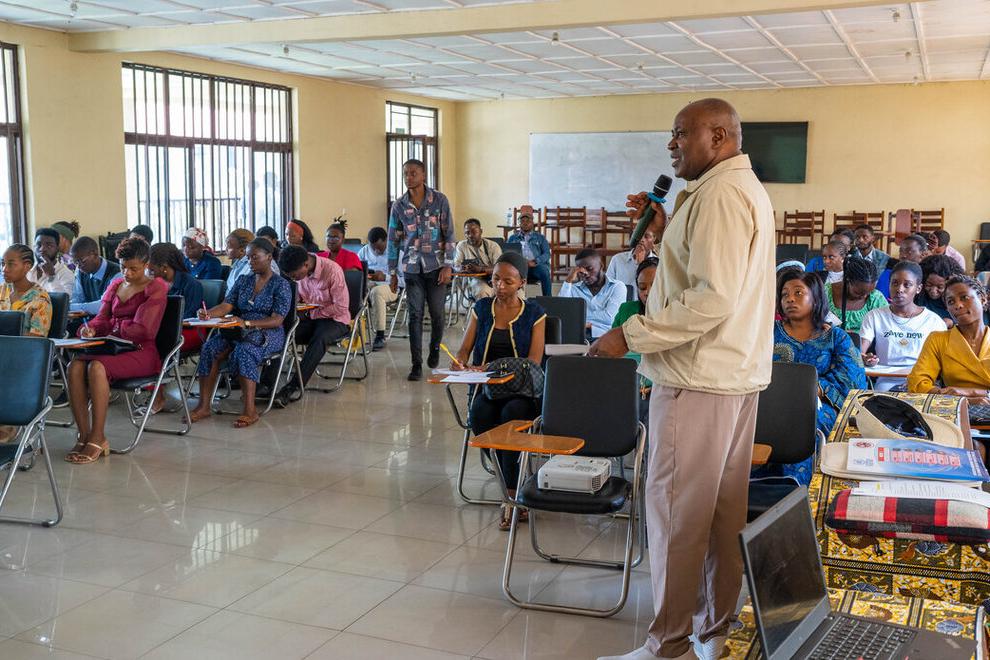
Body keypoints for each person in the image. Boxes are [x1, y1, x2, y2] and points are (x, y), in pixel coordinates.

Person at [591, 98, 774, 660]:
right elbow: (710, 272)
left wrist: (630, 335)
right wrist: (667, 229)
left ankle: (667, 646)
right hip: (731, 377)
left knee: (675, 516)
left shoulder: (719, 195)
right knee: (717, 516)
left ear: (718, 136)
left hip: (696, 380)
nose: (671, 145)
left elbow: (710, 299)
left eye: (680, 133)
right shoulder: (735, 188)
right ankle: (713, 634)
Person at [452, 251, 545, 530]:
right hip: (488, 389)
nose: (500, 286)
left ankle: (511, 497)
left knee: (511, 417)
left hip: (522, 391)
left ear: (522, 283)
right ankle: (510, 479)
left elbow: (533, 362)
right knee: (479, 416)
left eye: (508, 281)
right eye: (495, 279)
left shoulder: (534, 314)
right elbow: (465, 348)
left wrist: (493, 366)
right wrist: (459, 361)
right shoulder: (482, 309)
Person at [67, 238, 167, 464]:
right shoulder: (116, 285)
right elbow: (101, 318)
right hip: (114, 347)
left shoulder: (155, 288)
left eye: (134, 268)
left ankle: (98, 437)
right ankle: (83, 434)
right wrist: (91, 329)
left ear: (146, 265)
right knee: (74, 366)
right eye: (123, 267)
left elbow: (145, 330)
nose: (127, 273)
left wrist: (113, 327)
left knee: (96, 367)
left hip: (141, 351)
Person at [771, 271, 866, 483]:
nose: (790, 299)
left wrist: (816, 388)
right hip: (770, 402)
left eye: (798, 293)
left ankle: (798, 488)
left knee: (803, 425)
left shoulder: (835, 337)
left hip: (818, 405)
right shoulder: (768, 333)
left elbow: (852, 378)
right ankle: (757, 487)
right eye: (785, 294)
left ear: (815, 298)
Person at [189, 238, 291, 428]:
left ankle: (250, 410)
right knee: (210, 348)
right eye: (248, 258)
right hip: (238, 328)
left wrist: (247, 323)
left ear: (269, 257)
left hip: (268, 331)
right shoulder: (244, 280)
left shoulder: (281, 284)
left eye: (255, 257)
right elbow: (227, 305)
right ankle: (203, 406)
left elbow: (277, 319)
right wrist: (209, 313)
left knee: (245, 351)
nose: (250, 262)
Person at [387, 158, 454, 381]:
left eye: (413, 173)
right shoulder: (399, 206)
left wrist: (448, 265)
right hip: (412, 267)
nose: (408, 177)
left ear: (424, 175)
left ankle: (434, 348)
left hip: (436, 266)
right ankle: (416, 364)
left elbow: (449, 234)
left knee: (436, 313)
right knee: (414, 314)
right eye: (405, 173)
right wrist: (392, 272)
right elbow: (393, 240)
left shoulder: (440, 200)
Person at [277, 245, 351, 401]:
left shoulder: (332, 271)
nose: (293, 279)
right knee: (281, 333)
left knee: (320, 338)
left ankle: (294, 386)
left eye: (294, 276)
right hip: (310, 317)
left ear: (305, 265)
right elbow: (299, 298)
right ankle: (266, 383)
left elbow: (341, 307)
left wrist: (311, 314)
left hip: (335, 319)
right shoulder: (299, 270)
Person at [860, 262, 944, 392]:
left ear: (918, 288)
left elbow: (942, 361)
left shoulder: (933, 321)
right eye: (894, 283)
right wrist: (865, 358)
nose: (899, 289)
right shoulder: (875, 316)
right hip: (885, 381)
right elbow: (860, 351)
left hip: (922, 381)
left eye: (907, 285)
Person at [908, 275, 990, 404]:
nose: (958, 305)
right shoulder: (938, 340)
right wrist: (953, 398)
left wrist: (973, 393)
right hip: (953, 409)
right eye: (951, 302)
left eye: (964, 297)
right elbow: (917, 383)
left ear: (983, 299)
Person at [611, 257, 659, 425]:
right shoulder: (627, 310)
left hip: (659, 392)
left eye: (654, 286)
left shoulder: (673, 316)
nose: (647, 292)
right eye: (642, 287)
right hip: (626, 388)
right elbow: (613, 348)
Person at [559, 248, 626, 341]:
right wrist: (568, 280)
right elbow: (561, 313)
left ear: (601, 266)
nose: (585, 274)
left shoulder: (617, 287)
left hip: (606, 338)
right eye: (581, 272)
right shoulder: (574, 289)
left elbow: (609, 318)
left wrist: (579, 320)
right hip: (579, 336)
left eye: (589, 269)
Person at [148, 242, 204, 350]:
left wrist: (158, 323)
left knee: (152, 341)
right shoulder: (154, 284)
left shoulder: (191, 285)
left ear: (164, 268)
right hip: (164, 329)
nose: (148, 273)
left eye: (151, 270)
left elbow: (188, 317)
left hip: (187, 330)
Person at [359, 226, 400, 352]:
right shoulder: (364, 251)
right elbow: (356, 269)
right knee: (355, 287)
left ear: (386, 241)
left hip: (390, 287)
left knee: (377, 292)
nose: (376, 251)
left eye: (379, 247)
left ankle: (380, 335)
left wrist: (386, 277)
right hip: (370, 284)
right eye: (373, 248)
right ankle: (350, 329)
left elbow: (406, 280)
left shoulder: (397, 252)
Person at [0, 244, 52, 337]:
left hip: (21, 346)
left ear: (27, 266)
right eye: (3, 263)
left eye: (11, 264)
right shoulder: (2, 290)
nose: (4, 269)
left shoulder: (40, 298)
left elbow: (36, 338)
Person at [826, 258, 888, 334]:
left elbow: (886, 327)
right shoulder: (825, 293)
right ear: (847, 280)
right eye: (858, 293)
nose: (864, 297)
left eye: (869, 292)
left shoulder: (876, 298)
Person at [69, 236, 121, 316]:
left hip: (109, 321)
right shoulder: (80, 271)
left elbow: (103, 305)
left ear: (95, 254)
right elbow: (77, 298)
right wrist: (71, 307)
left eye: (82, 261)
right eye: (75, 263)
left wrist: (70, 307)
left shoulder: (117, 274)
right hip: (87, 320)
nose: (79, 266)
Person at [506, 208, 552, 296]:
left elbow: (547, 254)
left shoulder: (540, 237)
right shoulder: (513, 238)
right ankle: (519, 299)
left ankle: (548, 299)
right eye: (522, 221)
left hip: (535, 266)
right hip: (519, 267)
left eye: (528, 221)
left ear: (532, 223)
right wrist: (519, 262)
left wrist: (535, 261)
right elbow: (507, 254)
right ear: (519, 224)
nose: (525, 223)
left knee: (544, 272)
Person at [454, 218, 502, 299]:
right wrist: (461, 268)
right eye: (467, 233)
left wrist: (480, 269)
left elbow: (499, 268)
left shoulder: (493, 246)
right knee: (482, 291)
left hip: (495, 279)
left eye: (474, 232)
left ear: (481, 231)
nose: (470, 235)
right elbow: (456, 265)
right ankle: (483, 307)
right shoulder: (461, 245)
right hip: (476, 279)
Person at [917, 254, 964, 327]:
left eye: (940, 287)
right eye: (928, 285)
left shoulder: (957, 302)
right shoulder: (918, 297)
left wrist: (952, 323)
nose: (933, 291)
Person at [876, 233, 928, 298]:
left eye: (909, 251)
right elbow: (881, 299)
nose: (903, 255)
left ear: (923, 254)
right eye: (901, 251)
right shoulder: (889, 274)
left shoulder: (928, 277)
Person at [27, 227, 74, 295]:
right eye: (39, 245)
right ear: (34, 247)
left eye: (49, 245)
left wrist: (51, 276)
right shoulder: (27, 271)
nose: (42, 249)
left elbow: (65, 300)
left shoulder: (66, 274)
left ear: (57, 248)